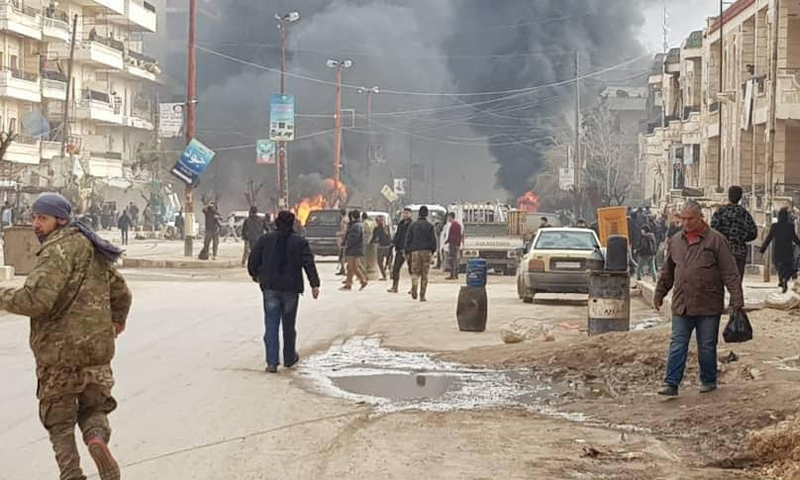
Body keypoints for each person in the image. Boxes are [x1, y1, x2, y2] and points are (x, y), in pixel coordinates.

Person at [0, 193, 131, 480]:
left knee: (58, 421)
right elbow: (121, 291)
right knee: (94, 408)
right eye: (34, 217)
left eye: (42, 218)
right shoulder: (92, 247)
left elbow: (36, 301)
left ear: (60, 220)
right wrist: (118, 319)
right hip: (96, 352)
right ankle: (96, 440)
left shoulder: (55, 251)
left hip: (58, 355)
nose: (36, 223)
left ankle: (72, 474)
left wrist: (2, 295)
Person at [654, 201, 744, 397]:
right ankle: (671, 383)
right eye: (682, 219)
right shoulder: (675, 241)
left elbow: (730, 272)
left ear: (700, 218)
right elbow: (667, 272)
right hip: (682, 303)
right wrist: (659, 293)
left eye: (690, 219)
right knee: (678, 343)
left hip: (708, 303)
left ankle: (708, 379)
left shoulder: (716, 241)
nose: (685, 223)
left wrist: (737, 300)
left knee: (706, 344)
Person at [248, 211, 320, 373]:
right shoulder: (299, 242)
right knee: (288, 325)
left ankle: (272, 362)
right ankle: (289, 358)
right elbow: (309, 264)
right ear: (292, 223)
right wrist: (314, 284)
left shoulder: (265, 239)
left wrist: (255, 275)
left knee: (271, 325)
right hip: (291, 289)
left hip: (270, 287)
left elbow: (253, 259)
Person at [711, 185, 758, 279]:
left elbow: (712, 231)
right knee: (736, 283)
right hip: (739, 252)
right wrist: (741, 238)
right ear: (740, 197)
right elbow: (753, 233)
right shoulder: (744, 214)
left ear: (728, 196)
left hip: (721, 252)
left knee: (719, 282)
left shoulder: (720, 212)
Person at [760, 207, 800, 293]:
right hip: (788, 251)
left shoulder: (775, 226)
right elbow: (794, 238)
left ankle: (781, 280)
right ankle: (785, 279)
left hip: (778, 251)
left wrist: (762, 248)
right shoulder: (790, 226)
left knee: (779, 267)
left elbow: (769, 238)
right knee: (787, 268)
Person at [404, 205, 438, 301]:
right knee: (424, 275)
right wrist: (432, 251)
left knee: (415, 272)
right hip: (426, 252)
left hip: (415, 252)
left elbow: (408, 239)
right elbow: (433, 241)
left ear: (419, 214)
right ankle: (422, 295)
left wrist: (407, 251)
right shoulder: (430, 226)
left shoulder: (413, 225)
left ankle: (414, 286)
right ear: (427, 214)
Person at [341, 210, 368, 291]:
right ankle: (348, 284)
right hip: (354, 249)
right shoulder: (356, 225)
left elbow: (353, 239)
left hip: (354, 250)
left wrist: (346, 245)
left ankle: (363, 280)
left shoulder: (355, 226)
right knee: (349, 267)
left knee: (353, 267)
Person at [388, 208, 413, 293]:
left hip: (409, 250)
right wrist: (394, 243)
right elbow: (398, 235)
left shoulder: (412, 225)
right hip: (399, 249)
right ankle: (395, 286)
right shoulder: (401, 224)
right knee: (396, 268)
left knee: (411, 270)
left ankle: (414, 287)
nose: (405, 215)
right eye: (404, 213)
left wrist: (409, 249)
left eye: (407, 213)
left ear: (410, 214)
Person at [370, 215, 393, 281]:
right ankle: (391, 274)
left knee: (380, 262)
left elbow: (374, 238)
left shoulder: (376, 229)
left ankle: (384, 276)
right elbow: (391, 236)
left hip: (381, 247)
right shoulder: (388, 227)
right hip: (389, 247)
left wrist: (370, 243)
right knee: (389, 262)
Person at [445, 212, 464, 280]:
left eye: (448, 217)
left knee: (452, 260)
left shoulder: (454, 225)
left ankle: (452, 275)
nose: (448, 219)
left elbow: (453, 236)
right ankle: (455, 274)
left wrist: (448, 241)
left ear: (451, 217)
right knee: (455, 260)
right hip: (456, 244)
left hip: (453, 244)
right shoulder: (458, 225)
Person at [336, 208, 348, 276]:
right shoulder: (345, 219)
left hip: (343, 239)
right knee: (341, 256)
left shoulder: (344, 221)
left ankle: (343, 270)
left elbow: (345, 231)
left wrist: (339, 234)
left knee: (342, 256)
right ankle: (342, 269)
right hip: (343, 239)